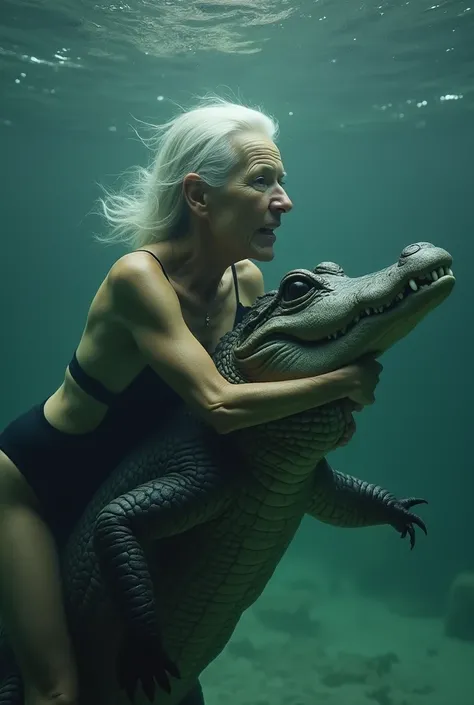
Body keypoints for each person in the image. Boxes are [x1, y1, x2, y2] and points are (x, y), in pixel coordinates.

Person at [0, 97, 382, 705]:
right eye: (262, 181)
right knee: (56, 690)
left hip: (128, 489)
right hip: (35, 488)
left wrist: (325, 422)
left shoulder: (245, 283)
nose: (284, 202)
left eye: (281, 182)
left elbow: (264, 403)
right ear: (199, 197)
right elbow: (220, 406)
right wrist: (342, 383)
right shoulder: (139, 278)